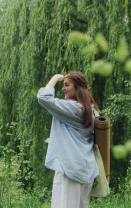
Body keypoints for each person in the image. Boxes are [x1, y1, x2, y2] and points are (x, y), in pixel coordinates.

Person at [37, 71, 99, 208]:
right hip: (87, 171)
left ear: (77, 88)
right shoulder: (93, 112)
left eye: (66, 85)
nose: (63, 88)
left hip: (70, 171)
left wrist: (55, 78)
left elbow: (43, 98)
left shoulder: (71, 108)